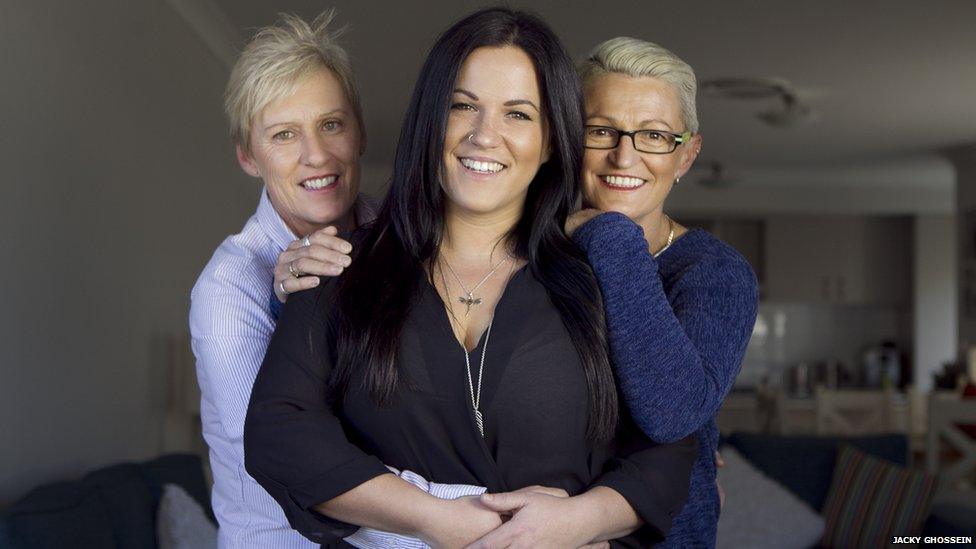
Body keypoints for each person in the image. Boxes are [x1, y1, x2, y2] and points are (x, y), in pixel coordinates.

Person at [245, 7, 698, 549]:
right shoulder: (340, 267)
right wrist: (437, 519)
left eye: (518, 114)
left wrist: (582, 521)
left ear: (553, 139)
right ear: (431, 119)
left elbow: (667, 446)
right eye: (463, 106)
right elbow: (279, 429)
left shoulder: (602, 276)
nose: (485, 136)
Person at [189, 12, 474, 548]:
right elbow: (293, 464)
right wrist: (478, 515)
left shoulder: (404, 241)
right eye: (283, 135)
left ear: (361, 130)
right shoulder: (226, 290)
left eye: (331, 124)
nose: (316, 155)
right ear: (249, 156)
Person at [565, 37, 760, 547]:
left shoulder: (714, 272)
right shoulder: (529, 253)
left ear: (687, 154)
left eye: (653, 135)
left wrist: (610, 236)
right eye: (600, 130)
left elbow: (672, 412)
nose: (623, 156)